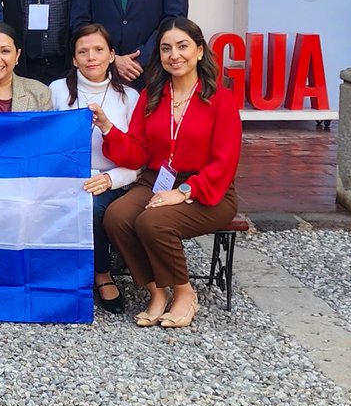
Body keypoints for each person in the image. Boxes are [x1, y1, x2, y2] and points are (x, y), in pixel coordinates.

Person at [91, 17, 240, 329]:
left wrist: (184, 192)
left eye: (183, 46)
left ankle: (185, 292)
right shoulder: (153, 95)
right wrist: (107, 127)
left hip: (206, 189)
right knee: (117, 216)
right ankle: (156, 291)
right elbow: (137, 152)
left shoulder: (221, 99)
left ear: (200, 51)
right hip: (158, 179)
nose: (175, 55)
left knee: (152, 221)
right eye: (166, 48)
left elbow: (224, 163)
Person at [49, 24, 141, 314]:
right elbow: (47, 144)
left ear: (112, 55)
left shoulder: (129, 96)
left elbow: (139, 157)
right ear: (74, 59)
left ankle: (101, 273)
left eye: (99, 50)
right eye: (83, 52)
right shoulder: (56, 91)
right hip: (64, 177)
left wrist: (109, 178)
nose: (92, 57)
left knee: (94, 203)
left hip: (113, 181)